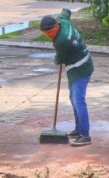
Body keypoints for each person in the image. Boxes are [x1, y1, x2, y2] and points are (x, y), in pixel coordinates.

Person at [40, 9, 94, 146]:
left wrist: (56, 60)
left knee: (78, 101)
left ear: (55, 27)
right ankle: (78, 129)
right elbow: (66, 11)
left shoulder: (62, 41)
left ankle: (85, 135)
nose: (48, 36)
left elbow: (59, 60)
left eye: (50, 33)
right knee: (74, 99)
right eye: (45, 34)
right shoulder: (62, 20)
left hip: (80, 68)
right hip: (78, 65)